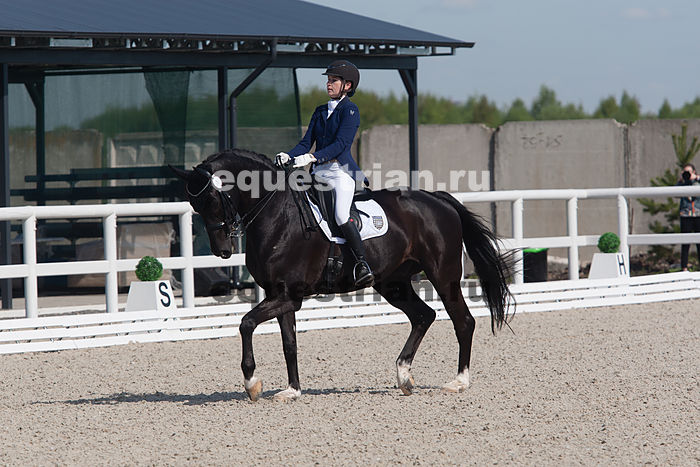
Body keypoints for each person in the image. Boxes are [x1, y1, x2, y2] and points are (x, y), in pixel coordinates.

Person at [275, 60, 374, 287]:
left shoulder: (350, 111)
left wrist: (312, 157)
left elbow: (341, 145)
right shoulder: (320, 111)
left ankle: (362, 263)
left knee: (340, 215)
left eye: (334, 80)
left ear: (347, 85)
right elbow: (306, 143)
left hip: (340, 172)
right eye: (328, 80)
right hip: (318, 173)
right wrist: (289, 155)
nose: (329, 84)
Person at [677, 163, 700, 271]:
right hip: (686, 215)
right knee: (685, 243)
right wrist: (681, 180)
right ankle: (684, 268)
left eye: (689, 172)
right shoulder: (682, 184)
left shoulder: (698, 182)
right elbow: (675, 192)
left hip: (698, 215)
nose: (687, 174)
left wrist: (697, 178)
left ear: (694, 172)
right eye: (685, 172)